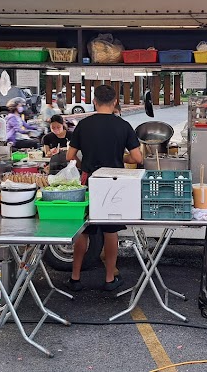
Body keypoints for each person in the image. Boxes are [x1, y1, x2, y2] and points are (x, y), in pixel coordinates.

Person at [66, 84, 143, 292]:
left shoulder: (83, 124)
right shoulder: (123, 125)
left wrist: (84, 166)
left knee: (83, 230)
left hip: (89, 181)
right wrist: (121, 157)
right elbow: (137, 158)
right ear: (115, 101)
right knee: (111, 231)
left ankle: (75, 278)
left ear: (94, 102)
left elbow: (70, 156)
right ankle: (109, 279)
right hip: (113, 183)